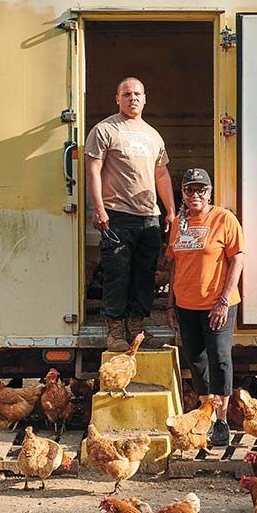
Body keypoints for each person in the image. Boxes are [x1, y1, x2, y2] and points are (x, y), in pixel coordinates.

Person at [84, 77, 176, 352]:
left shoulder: (153, 135)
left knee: (144, 275)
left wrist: (170, 210)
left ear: (145, 99)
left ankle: (136, 327)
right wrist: (99, 208)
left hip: (148, 217)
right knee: (117, 274)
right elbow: (93, 170)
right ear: (117, 99)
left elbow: (161, 173)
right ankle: (115, 331)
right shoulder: (105, 130)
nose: (132, 98)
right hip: (117, 216)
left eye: (137, 94)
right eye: (126, 94)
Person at [166, 168, 244, 447]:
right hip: (186, 305)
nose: (195, 195)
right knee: (196, 361)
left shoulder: (224, 219)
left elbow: (237, 259)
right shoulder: (179, 223)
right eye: (189, 190)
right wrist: (170, 304)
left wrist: (224, 299)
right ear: (183, 194)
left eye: (201, 190)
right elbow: (175, 263)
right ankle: (206, 414)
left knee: (220, 359)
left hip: (217, 305)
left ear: (210, 193)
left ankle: (221, 420)